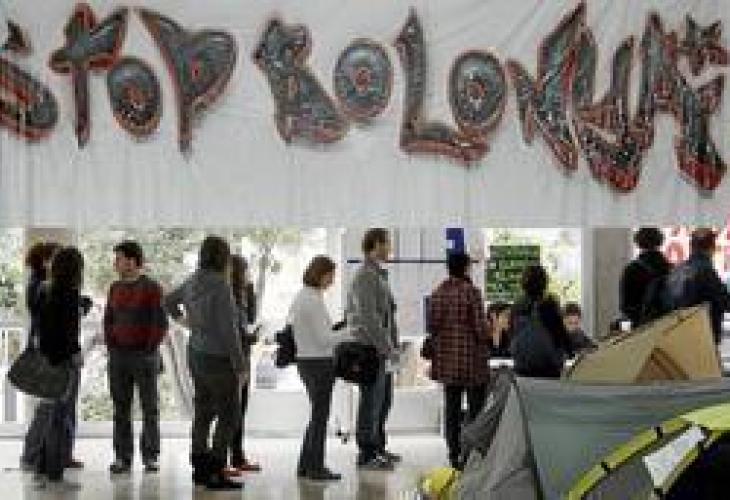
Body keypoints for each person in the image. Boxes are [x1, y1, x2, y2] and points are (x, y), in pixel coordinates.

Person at [165, 236, 245, 490]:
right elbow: (229, 331)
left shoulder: (193, 280)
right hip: (219, 357)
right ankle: (216, 470)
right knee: (229, 414)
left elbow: (168, 300)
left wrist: (183, 321)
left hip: (196, 353)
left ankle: (199, 466)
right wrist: (240, 366)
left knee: (203, 411)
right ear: (223, 257)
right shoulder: (221, 285)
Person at [104, 240, 168, 474]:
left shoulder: (152, 287)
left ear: (132, 261)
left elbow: (160, 323)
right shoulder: (114, 288)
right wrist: (112, 347)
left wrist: (148, 349)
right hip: (118, 356)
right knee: (120, 409)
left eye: (119, 259)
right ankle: (122, 457)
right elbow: (108, 319)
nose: (115, 263)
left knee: (150, 409)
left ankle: (150, 457)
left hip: (144, 356)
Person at [427, 252, 490, 469]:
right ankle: (471, 453)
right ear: (466, 268)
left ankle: (453, 453)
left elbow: (432, 328)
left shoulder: (437, 293)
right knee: (476, 410)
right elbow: (481, 330)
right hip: (471, 362)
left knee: (452, 409)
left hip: (447, 363)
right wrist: (491, 329)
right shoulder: (472, 293)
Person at [290, 255, 350, 481]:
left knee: (317, 416)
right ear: (321, 274)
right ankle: (316, 468)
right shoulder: (312, 300)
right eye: (331, 275)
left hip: (307, 362)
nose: (332, 280)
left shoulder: (303, 296)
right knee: (320, 417)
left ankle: (306, 465)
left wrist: (338, 331)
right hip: (318, 364)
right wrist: (351, 331)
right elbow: (325, 340)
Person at [345, 228, 400, 471]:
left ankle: (377, 447)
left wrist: (391, 347)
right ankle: (366, 454)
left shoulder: (378, 274)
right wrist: (387, 347)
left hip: (382, 350)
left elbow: (385, 315)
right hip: (371, 350)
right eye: (387, 243)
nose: (390, 248)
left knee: (383, 400)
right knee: (371, 402)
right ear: (376, 244)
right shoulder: (365, 276)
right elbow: (369, 318)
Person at [34, 247, 85, 490]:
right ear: (76, 270)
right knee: (60, 419)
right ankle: (55, 476)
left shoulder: (44, 290)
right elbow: (69, 334)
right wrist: (77, 355)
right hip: (64, 363)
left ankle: (42, 471)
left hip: (46, 360)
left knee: (50, 417)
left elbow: (43, 328)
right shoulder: (70, 294)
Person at [20, 242, 66, 471]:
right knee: (47, 406)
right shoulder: (40, 285)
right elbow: (45, 316)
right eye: (57, 258)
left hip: (47, 349)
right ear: (46, 261)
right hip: (47, 351)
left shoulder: (42, 283)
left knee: (50, 406)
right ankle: (30, 456)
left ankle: (43, 456)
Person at [226, 255, 261, 474]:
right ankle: (227, 459)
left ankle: (238, 457)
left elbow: (250, 319)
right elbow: (231, 331)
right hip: (232, 360)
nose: (249, 274)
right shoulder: (226, 297)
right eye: (247, 270)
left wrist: (250, 288)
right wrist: (249, 337)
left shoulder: (242, 295)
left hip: (244, 357)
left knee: (241, 410)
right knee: (232, 411)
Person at [666, 228, 730, 346]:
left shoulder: (677, 270)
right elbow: (724, 301)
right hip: (702, 336)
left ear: (691, 246)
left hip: (678, 333)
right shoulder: (706, 271)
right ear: (712, 248)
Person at [510, 265, 573, 378]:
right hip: (548, 365)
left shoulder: (517, 306)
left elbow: (512, 333)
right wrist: (571, 352)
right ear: (544, 283)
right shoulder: (548, 304)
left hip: (522, 365)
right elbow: (560, 333)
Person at [619, 228, 672, 328]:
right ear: (660, 242)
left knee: (617, 326)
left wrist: (625, 327)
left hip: (641, 325)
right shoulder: (670, 268)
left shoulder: (632, 269)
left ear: (638, 243)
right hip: (667, 325)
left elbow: (625, 307)